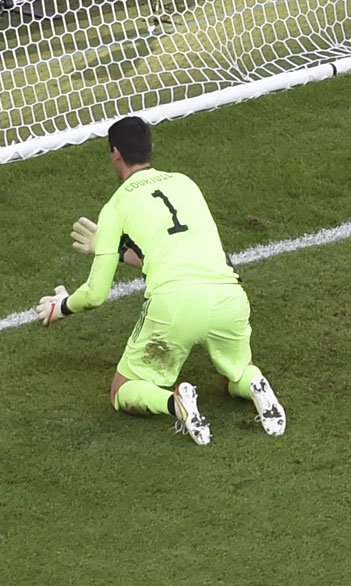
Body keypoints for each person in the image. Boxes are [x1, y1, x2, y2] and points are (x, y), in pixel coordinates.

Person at [36, 116, 286, 445]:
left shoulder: (115, 206)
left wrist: (62, 307)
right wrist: (119, 253)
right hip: (229, 297)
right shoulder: (185, 183)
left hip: (174, 308)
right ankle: (255, 382)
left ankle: (176, 402)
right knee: (235, 373)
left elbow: (96, 294)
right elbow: (177, 253)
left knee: (121, 390)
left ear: (114, 154)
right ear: (151, 147)